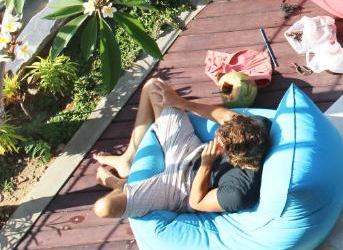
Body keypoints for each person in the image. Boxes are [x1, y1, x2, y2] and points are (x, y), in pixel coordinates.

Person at [91, 78, 271, 218]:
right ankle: (128, 158)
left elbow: (196, 202)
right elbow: (224, 116)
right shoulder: (256, 127)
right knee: (154, 86)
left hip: (182, 188)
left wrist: (206, 165)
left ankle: (120, 184)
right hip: (191, 149)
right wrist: (181, 102)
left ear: (233, 156)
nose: (216, 135)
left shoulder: (237, 193)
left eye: (220, 139)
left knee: (104, 208)